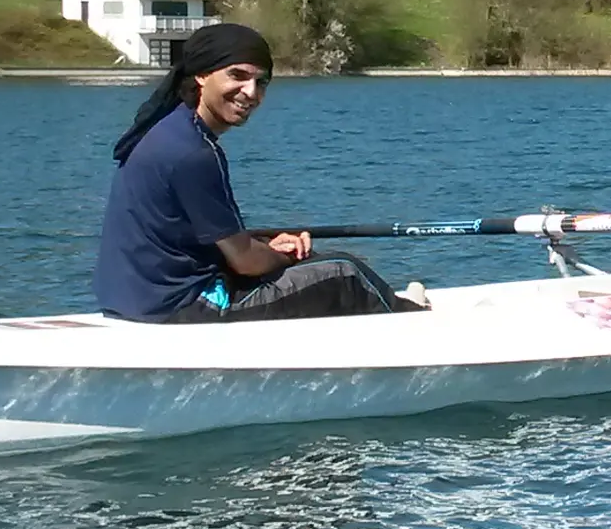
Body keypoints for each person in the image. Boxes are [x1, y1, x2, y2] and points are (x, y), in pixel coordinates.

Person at [95, 23, 425, 324]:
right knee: (346, 273)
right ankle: (415, 321)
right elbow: (245, 263)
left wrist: (269, 247)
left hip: (130, 300)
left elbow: (212, 240)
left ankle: (389, 308)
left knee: (311, 266)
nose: (251, 92)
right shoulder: (194, 153)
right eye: (237, 75)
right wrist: (283, 258)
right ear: (201, 75)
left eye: (261, 82)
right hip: (180, 306)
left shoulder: (167, 130)